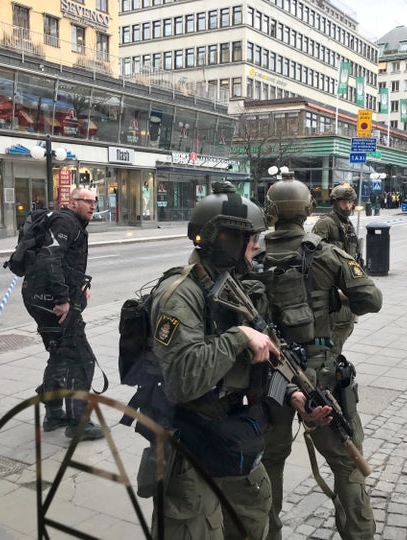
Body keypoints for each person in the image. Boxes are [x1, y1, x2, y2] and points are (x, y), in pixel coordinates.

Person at [146, 181, 278, 539]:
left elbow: (271, 356)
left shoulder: (231, 285)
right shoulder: (180, 295)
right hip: (191, 441)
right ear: (225, 240)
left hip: (231, 432)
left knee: (253, 515)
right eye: (250, 239)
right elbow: (181, 379)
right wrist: (239, 337)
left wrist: (292, 395)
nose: (256, 247)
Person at [260, 175, 383, 540]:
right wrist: (335, 298)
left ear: (270, 212)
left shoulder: (252, 256)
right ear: (309, 211)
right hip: (322, 377)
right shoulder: (325, 253)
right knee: (347, 463)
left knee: (268, 463)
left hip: (271, 378)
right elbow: (372, 299)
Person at [21, 187, 104, 440]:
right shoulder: (66, 222)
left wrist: (78, 286)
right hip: (50, 303)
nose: (92, 205)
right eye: (86, 201)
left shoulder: (69, 223)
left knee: (59, 354)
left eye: (94, 201)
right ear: (73, 202)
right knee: (82, 359)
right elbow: (49, 259)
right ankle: (79, 423)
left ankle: (54, 414)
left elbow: (63, 262)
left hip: (38, 298)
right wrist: (63, 299)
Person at [312, 183, 362, 354]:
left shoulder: (347, 225)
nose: (347, 206)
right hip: (332, 290)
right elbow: (314, 256)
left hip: (347, 286)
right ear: (335, 202)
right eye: (343, 202)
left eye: (350, 202)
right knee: (334, 332)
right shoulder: (325, 224)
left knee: (345, 327)